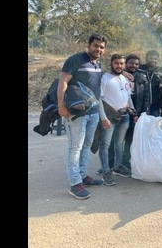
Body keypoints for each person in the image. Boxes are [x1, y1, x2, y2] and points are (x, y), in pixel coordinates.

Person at [57, 33, 107, 200]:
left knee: (86, 146)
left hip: (92, 113)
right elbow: (63, 82)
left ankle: (84, 176)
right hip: (76, 114)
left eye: (101, 47)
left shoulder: (98, 64)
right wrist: (61, 105)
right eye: (95, 45)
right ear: (88, 46)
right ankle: (75, 183)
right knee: (75, 147)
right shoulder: (76, 60)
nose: (98, 49)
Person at [97, 54, 135, 186]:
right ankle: (106, 172)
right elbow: (99, 99)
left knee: (119, 144)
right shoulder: (104, 78)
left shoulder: (125, 78)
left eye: (121, 63)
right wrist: (103, 118)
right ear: (111, 64)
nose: (119, 66)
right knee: (105, 145)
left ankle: (118, 167)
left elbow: (128, 96)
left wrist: (133, 112)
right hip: (109, 117)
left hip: (124, 116)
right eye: (116, 63)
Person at [138, 50, 162, 117]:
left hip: (155, 105)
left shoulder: (160, 72)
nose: (153, 60)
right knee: (140, 125)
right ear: (146, 59)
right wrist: (124, 72)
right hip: (140, 104)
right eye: (151, 58)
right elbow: (127, 70)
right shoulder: (139, 69)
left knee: (153, 125)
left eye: (155, 59)